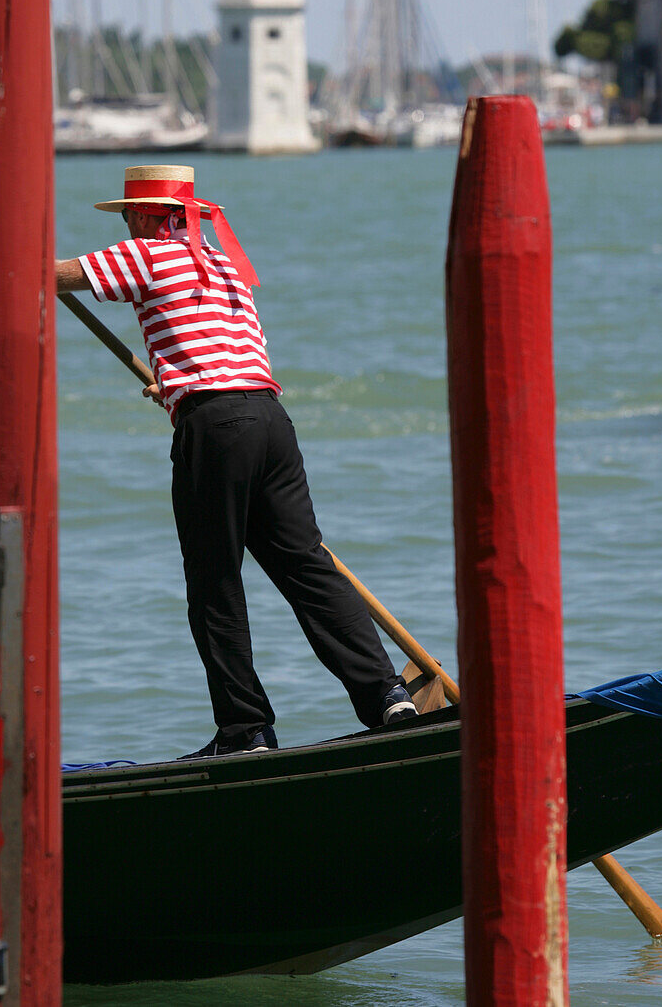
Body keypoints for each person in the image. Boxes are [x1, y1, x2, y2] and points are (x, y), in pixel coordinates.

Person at [55, 164, 416, 757]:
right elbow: (218, 343)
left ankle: (244, 729)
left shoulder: (146, 254)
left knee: (213, 580)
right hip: (269, 419)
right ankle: (386, 695)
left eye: (126, 214)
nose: (124, 225)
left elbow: (49, 276)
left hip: (216, 425)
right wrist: (172, 383)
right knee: (306, 565)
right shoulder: (224, 266)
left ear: (147, 215)